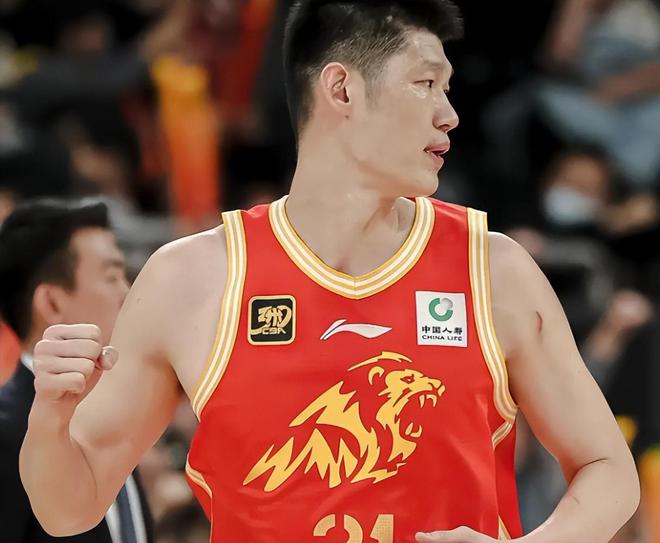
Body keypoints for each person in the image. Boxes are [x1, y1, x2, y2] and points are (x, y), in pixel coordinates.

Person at [20, 1, 639, 542]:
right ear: (342, 89)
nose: (449, 114)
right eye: (426, 83)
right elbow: (68, 509)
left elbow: (609, 469)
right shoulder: (191, 279)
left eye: (447, 88)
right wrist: (50, 416)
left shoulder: (495, 270)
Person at [0, 199, 154, 543]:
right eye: (112, 276)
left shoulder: (109, 412)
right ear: (52, 302)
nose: (127, 292)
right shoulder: (6, 432)